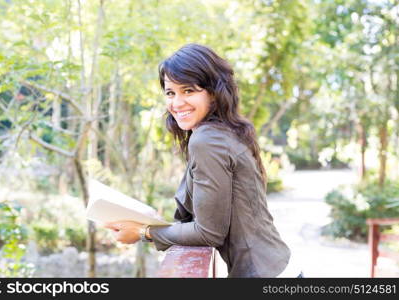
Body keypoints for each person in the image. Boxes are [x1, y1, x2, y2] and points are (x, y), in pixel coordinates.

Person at [104, 43, 302, 278]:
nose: (177, 103)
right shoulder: (225, 132)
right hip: (277, 268)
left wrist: (144, 232)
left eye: (188, 90)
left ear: (214, 93)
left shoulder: (207, 140)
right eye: (170, 92)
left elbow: (208, 233)